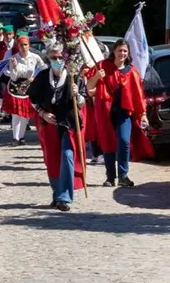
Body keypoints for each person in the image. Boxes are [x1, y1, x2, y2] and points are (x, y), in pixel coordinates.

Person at [87, 39, 154, 187]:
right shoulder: (102, 66)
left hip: (124, 112)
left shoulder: (132, 72)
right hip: (105, 112)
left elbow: (138, 95)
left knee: (124, 141)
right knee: (107, 142)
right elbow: (89, 87)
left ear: (128, 53)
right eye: (119, 50)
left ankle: (123, 175)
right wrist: (97, 77)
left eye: (124, 51)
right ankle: (110, 177)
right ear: (114, 51)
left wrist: (143, 114)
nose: (122, 53)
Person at [28, 44, 87, 212]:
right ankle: (56, 193)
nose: (58, 60)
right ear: (49, 59)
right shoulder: (42, 77)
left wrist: (78, 95)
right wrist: (42, 113)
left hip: (68, 124)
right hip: (49, 124)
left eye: (60, 57)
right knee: (52, 160)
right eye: (54, 57)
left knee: (67, 157)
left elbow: (82, 103)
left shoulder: (74, 77)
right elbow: (32, 98)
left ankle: (64, 197)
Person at [3, 33, 45, 145]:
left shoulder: (35, 57)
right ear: (18, 46)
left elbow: (44, 68)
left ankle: (21, 137)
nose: (23, 47)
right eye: (21, 45)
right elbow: (13, 76)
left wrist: (35, 76)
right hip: (15, 87)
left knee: (25, 115)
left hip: (29, 87)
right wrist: (15, 66)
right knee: (16, 114)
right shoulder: (14, 58)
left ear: (28, 45)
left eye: (25, 45)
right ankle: (15, 138)